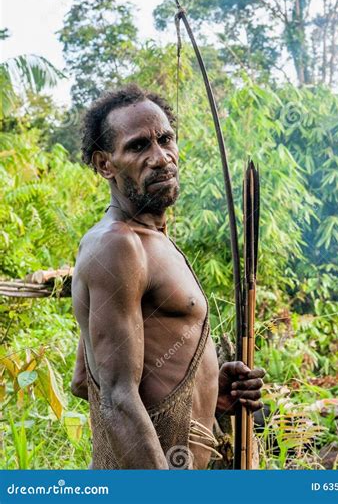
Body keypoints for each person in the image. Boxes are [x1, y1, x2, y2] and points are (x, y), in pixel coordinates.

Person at [70, 84, 265, 469]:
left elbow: (83, 379)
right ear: (105, 164)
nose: (160, 157)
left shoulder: (153, 240)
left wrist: (210, 390)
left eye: (165, 139)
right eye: (138, 146)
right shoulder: (119, 246)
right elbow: (115, 396)